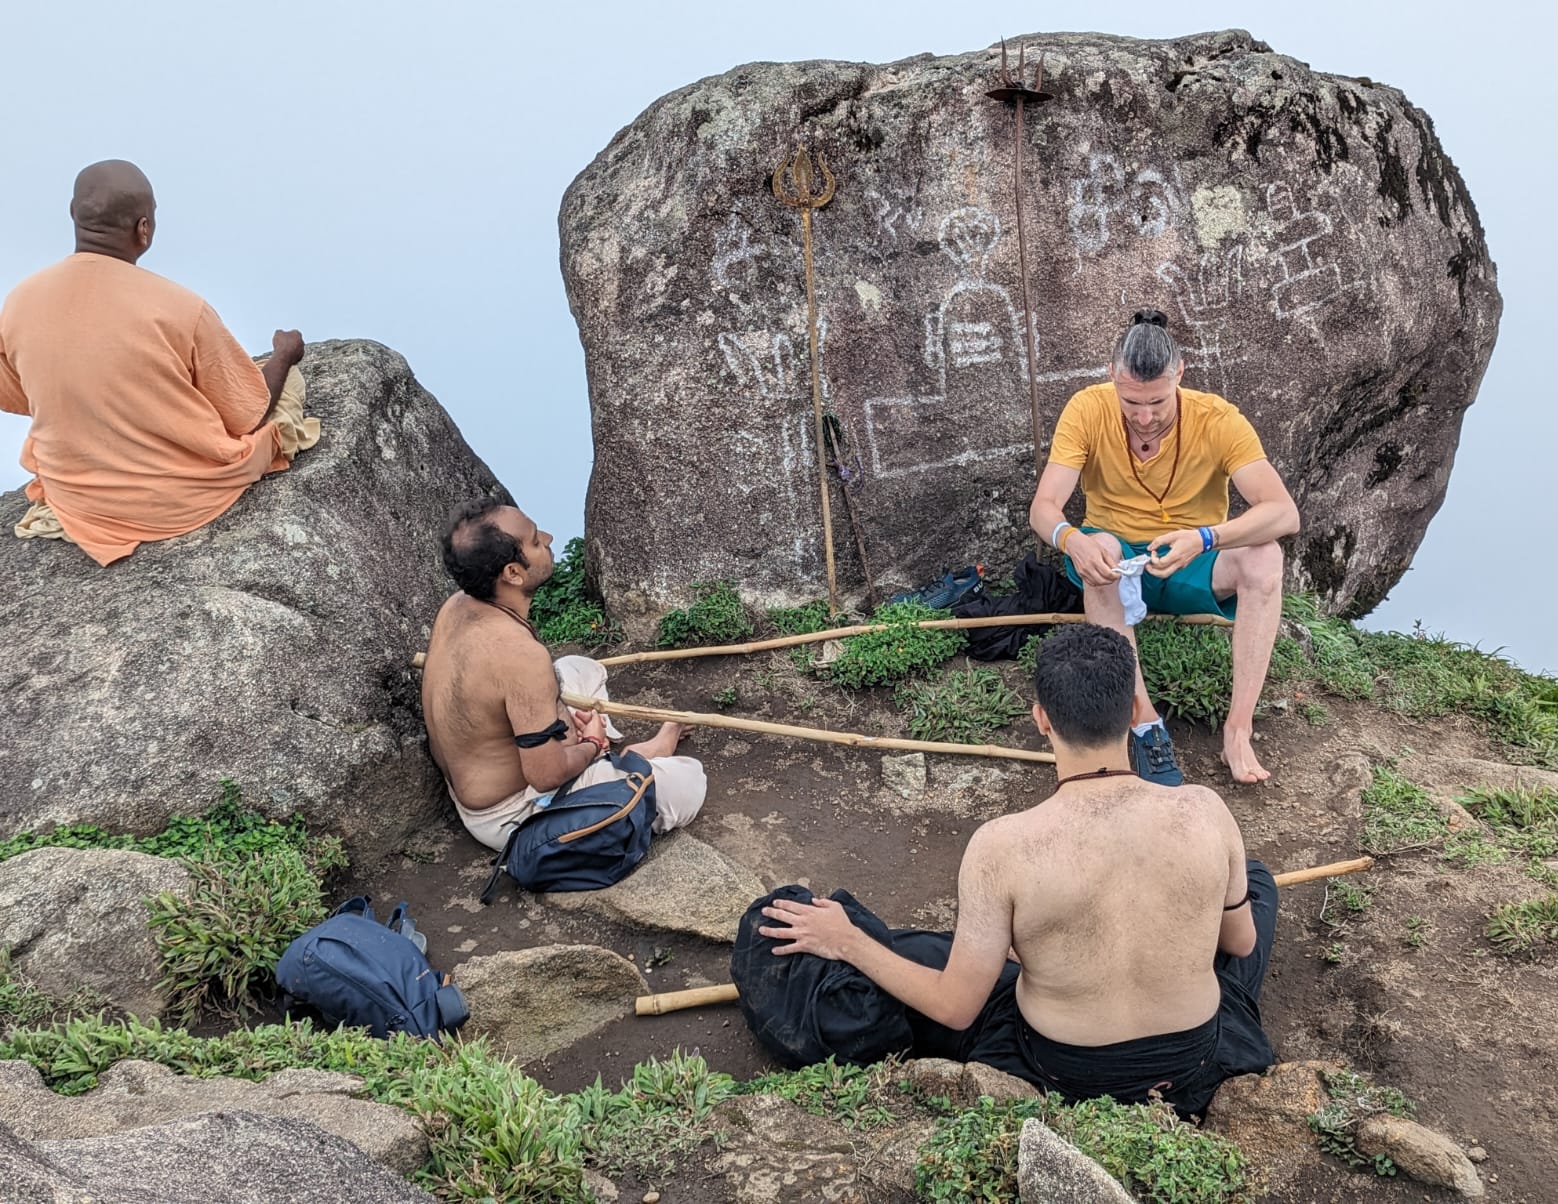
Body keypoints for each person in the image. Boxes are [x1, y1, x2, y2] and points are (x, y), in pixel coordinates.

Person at [759, 623, 1277, 1118]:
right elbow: (1240, 944)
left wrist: (847, 940)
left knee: (918, 954)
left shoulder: (1001, 846)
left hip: (1064, 1069)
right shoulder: (1206, 811)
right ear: (1137, 709)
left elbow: (956, 1008)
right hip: (1193, 1060)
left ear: (1041, 719)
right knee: (1256, 883)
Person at [0, 160, 318, 566]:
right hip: (177, 501)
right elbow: (248, 416)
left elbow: (17, 392)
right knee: (284, 388)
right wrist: (284, 354)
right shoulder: (182, 308)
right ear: (143, 229)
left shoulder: (19, 301)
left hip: (78, 499)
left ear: (73, 214)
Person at [1029, 309, 1299, 784]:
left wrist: (1204, 538)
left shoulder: (1218, 419)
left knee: (1266, 555)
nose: (1145, 417)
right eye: (1131, 402)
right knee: (1102, 551)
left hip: (1193, 557)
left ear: (1180, 374)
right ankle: (1147, 726)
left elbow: (1283, 512)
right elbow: (1045, 506)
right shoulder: (1087, 409)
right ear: (1112, 375)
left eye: (1157, 401)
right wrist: (1072, 540)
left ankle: (1238, 731)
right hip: (1116, 559)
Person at [421, 499, 706, 851]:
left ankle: (606, 754)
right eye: (535, 541)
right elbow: (546, 776)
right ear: (513, 573)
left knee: (581, 668)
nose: (549, 537)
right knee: (689, 781)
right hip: (514, 811)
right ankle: (625, 756)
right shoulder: (519, 655)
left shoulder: (456, 606)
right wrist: (590, 744)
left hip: (487, 771)